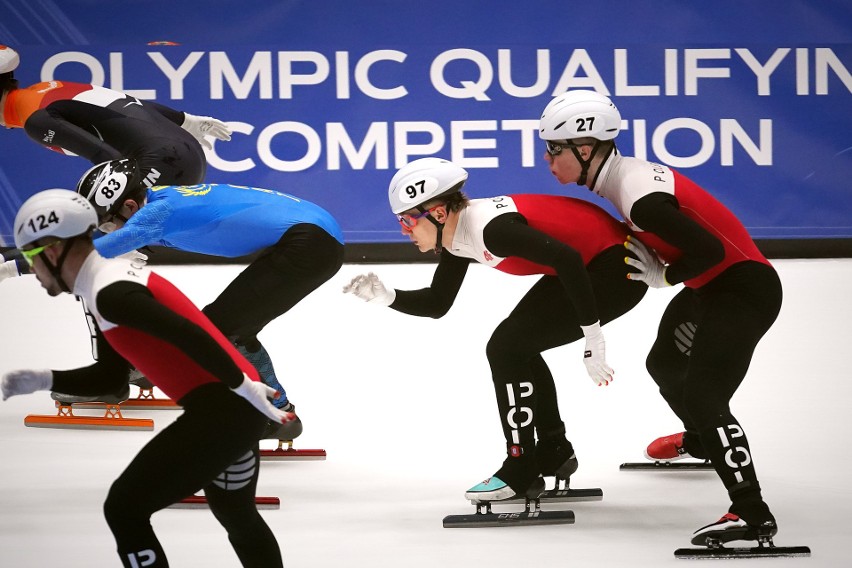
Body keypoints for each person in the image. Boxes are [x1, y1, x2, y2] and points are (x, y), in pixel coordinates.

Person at [538, 90, 782, 546]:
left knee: (706, 393)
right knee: (665, 365)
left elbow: (708, 249)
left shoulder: (638, 196)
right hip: (711, 287)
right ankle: (705, 440)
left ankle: (752, 513)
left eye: (554, 149)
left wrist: (667, 276)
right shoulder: (623, 180)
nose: (548, 161)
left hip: (743, 289)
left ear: (585, 149)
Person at [0, 189, 291, 567]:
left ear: (52, 252)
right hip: (233, 408)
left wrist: (243, 387)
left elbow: (190, 334)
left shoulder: (111, 292)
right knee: (235, 513)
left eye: (30, 259)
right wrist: (42, 379)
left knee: (124, 509)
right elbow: (110, 381)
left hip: (226, 409)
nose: (34, 272)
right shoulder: (103, 279)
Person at [343, 157, 647, 502]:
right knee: (514, 345)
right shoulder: (457, 235)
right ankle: (554, 449)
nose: (403, 229)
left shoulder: (491, 229)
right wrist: (388, 297)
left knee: (506, 346)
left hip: (618, 268)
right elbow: (438, 303)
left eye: (408, 220)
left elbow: (566, 259)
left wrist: (594, 339)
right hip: (586, 262)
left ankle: (520, 467)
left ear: (439, 213)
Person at [0, 43, 231, 399]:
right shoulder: (44, 91)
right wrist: (186, 121)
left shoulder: (35, 120)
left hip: (156, 163)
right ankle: (135, 364)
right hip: (180, 153)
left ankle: (111, 376)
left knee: (89, 260)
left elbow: (107, 160)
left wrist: (105, 235)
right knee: (107, 258)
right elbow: (131, 104)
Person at [76, 158, 345, 441]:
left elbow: (80, 256)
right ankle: (274, 411)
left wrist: (26, 260)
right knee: (225, 327)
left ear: (130, 206)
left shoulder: (158, 212)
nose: (106, 231)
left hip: (311, 241)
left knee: (225, 330)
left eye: (107, 224)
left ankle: (278, 414)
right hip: (313, 234)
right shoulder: (162, 198)